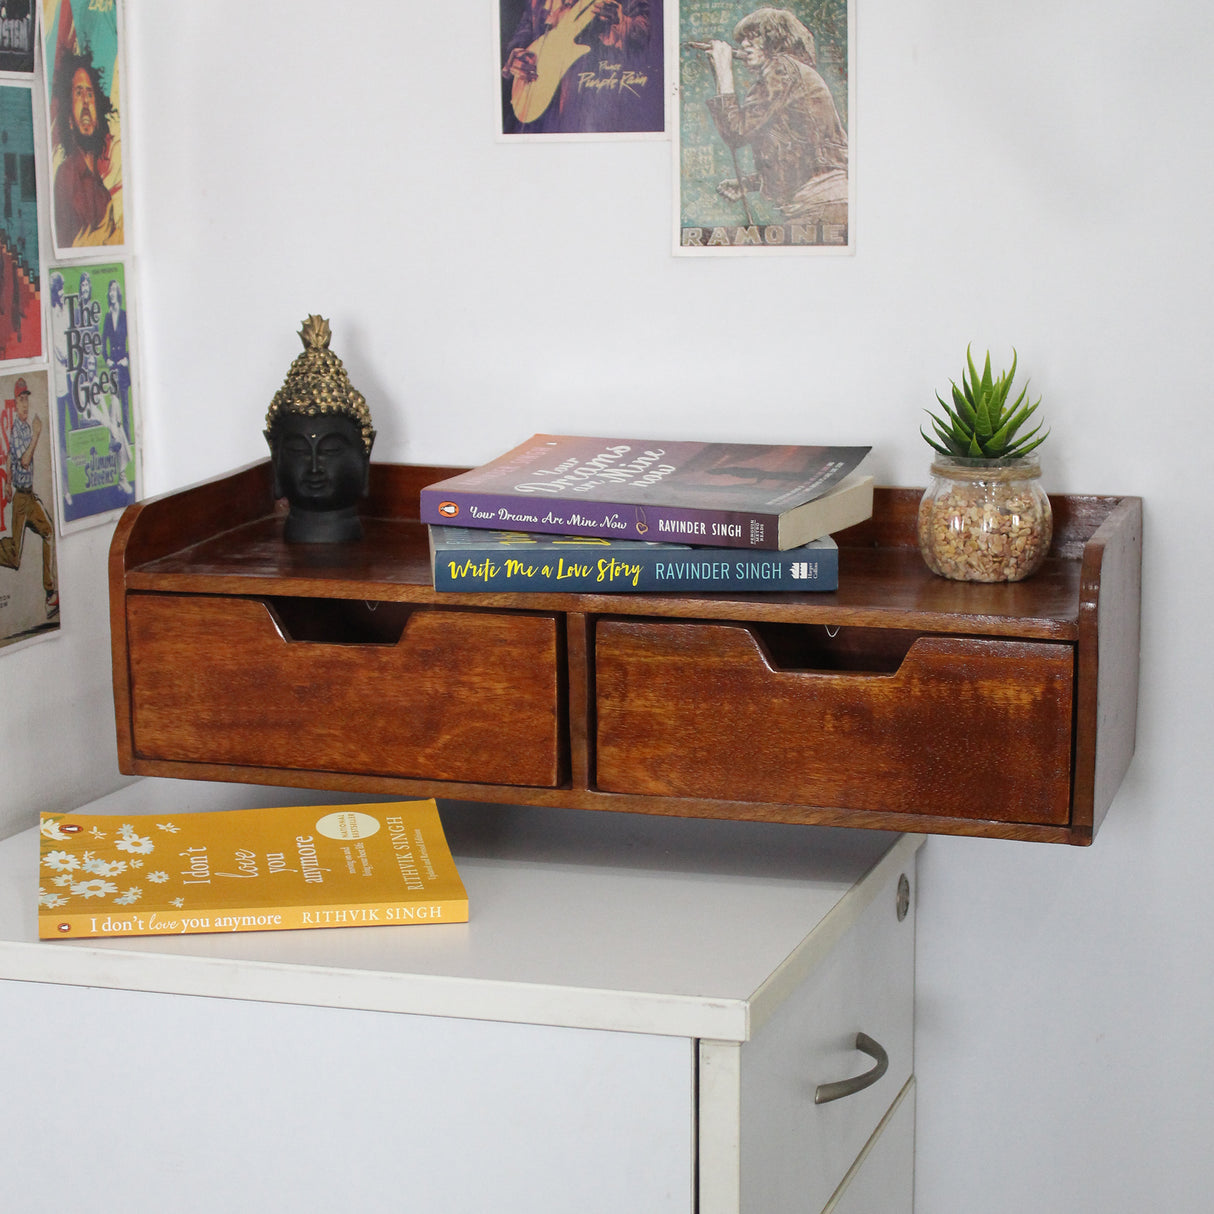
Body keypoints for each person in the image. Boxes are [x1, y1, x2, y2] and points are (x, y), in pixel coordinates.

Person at [704, 8, 848, 225]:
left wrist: (724, 72)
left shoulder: (781, 68)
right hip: (828, 201)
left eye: (754, 36)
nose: (743, 45)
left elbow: (736, 133)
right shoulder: (793, 74)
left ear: (777, 39)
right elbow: (801, 154)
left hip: (818, 205)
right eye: (742, 39)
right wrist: (751, 183)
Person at [501, 0, 658, 134]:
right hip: (531, 105)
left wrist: (621, 21)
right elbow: (523, 32)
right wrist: (514, 58)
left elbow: (646, 35)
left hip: (586, 105)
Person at [0, 378, 58, 617]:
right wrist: (36, 436)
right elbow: (24, 459)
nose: (25, 404)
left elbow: (13, 458)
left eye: (27, 399)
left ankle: (50, 593)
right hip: (22, 503)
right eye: (21, 400)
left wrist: (7, 482)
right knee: (14, 558)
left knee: (49, 532)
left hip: (28, 495)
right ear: (16, 401)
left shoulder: (22, 426)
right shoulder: (19, 429)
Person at [52, 47, 118, 247]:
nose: (86, 103)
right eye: (79, 94)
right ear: (69, 119)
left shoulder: (104, 195)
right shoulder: (66, 177)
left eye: (90, 94)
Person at [102, 278, 130, 436]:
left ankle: (129, 442)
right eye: (110, 290)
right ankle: (116, 443)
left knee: (125, 409)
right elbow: (102, 341)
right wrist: (106, 358)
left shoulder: (125, 316)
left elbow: (134, 339)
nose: (112, 293)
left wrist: (128, 358)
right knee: (114, 408)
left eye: (114, 290)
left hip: (123, 367)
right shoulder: (107, 317)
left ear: (118, 293)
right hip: (113, 368)